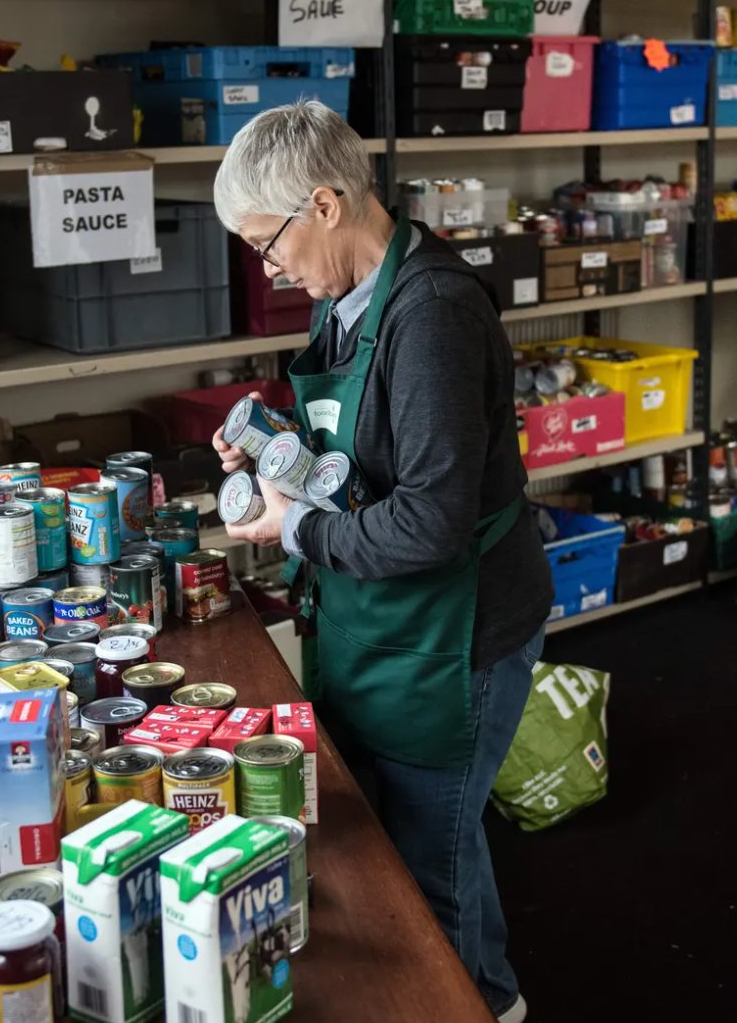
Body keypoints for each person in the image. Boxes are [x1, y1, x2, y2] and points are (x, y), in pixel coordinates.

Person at [211, 101, 553, 1023]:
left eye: (264, 241)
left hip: (455, 632)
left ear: (322, 204)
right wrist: (270, 447)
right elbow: (356, 451)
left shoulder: (431, 311)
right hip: (384, 619)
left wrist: (291, 533)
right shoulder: (349, 298)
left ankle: (484, 1005)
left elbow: (429, 523)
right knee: (403, 848)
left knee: (429, 866)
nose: (267, 265)